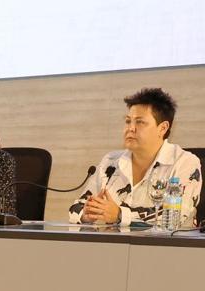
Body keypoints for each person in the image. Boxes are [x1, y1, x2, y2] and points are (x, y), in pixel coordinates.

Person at [69, 87, 202, 228]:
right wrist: (87, 214)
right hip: (114, 245)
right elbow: (77, 207)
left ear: (162, 128)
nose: (130, 128)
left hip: (167, 247)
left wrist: (120, 215)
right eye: (128, 121)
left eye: (140, 122)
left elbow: (176, 216)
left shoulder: (185, 163)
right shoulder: (110, 162)